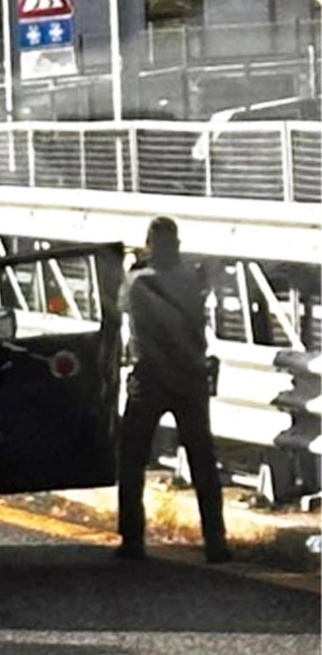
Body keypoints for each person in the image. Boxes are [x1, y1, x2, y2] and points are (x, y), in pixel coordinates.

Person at [116, 217, 230, 564]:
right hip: (190, 377)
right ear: (177, 245)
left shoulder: (138, 282)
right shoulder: (193, 279)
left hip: (150, 379)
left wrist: (135, 263)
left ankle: (133, 539)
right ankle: (216, 541)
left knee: (132, 459)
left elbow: (120, 304)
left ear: (151, 244)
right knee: (203, 461)